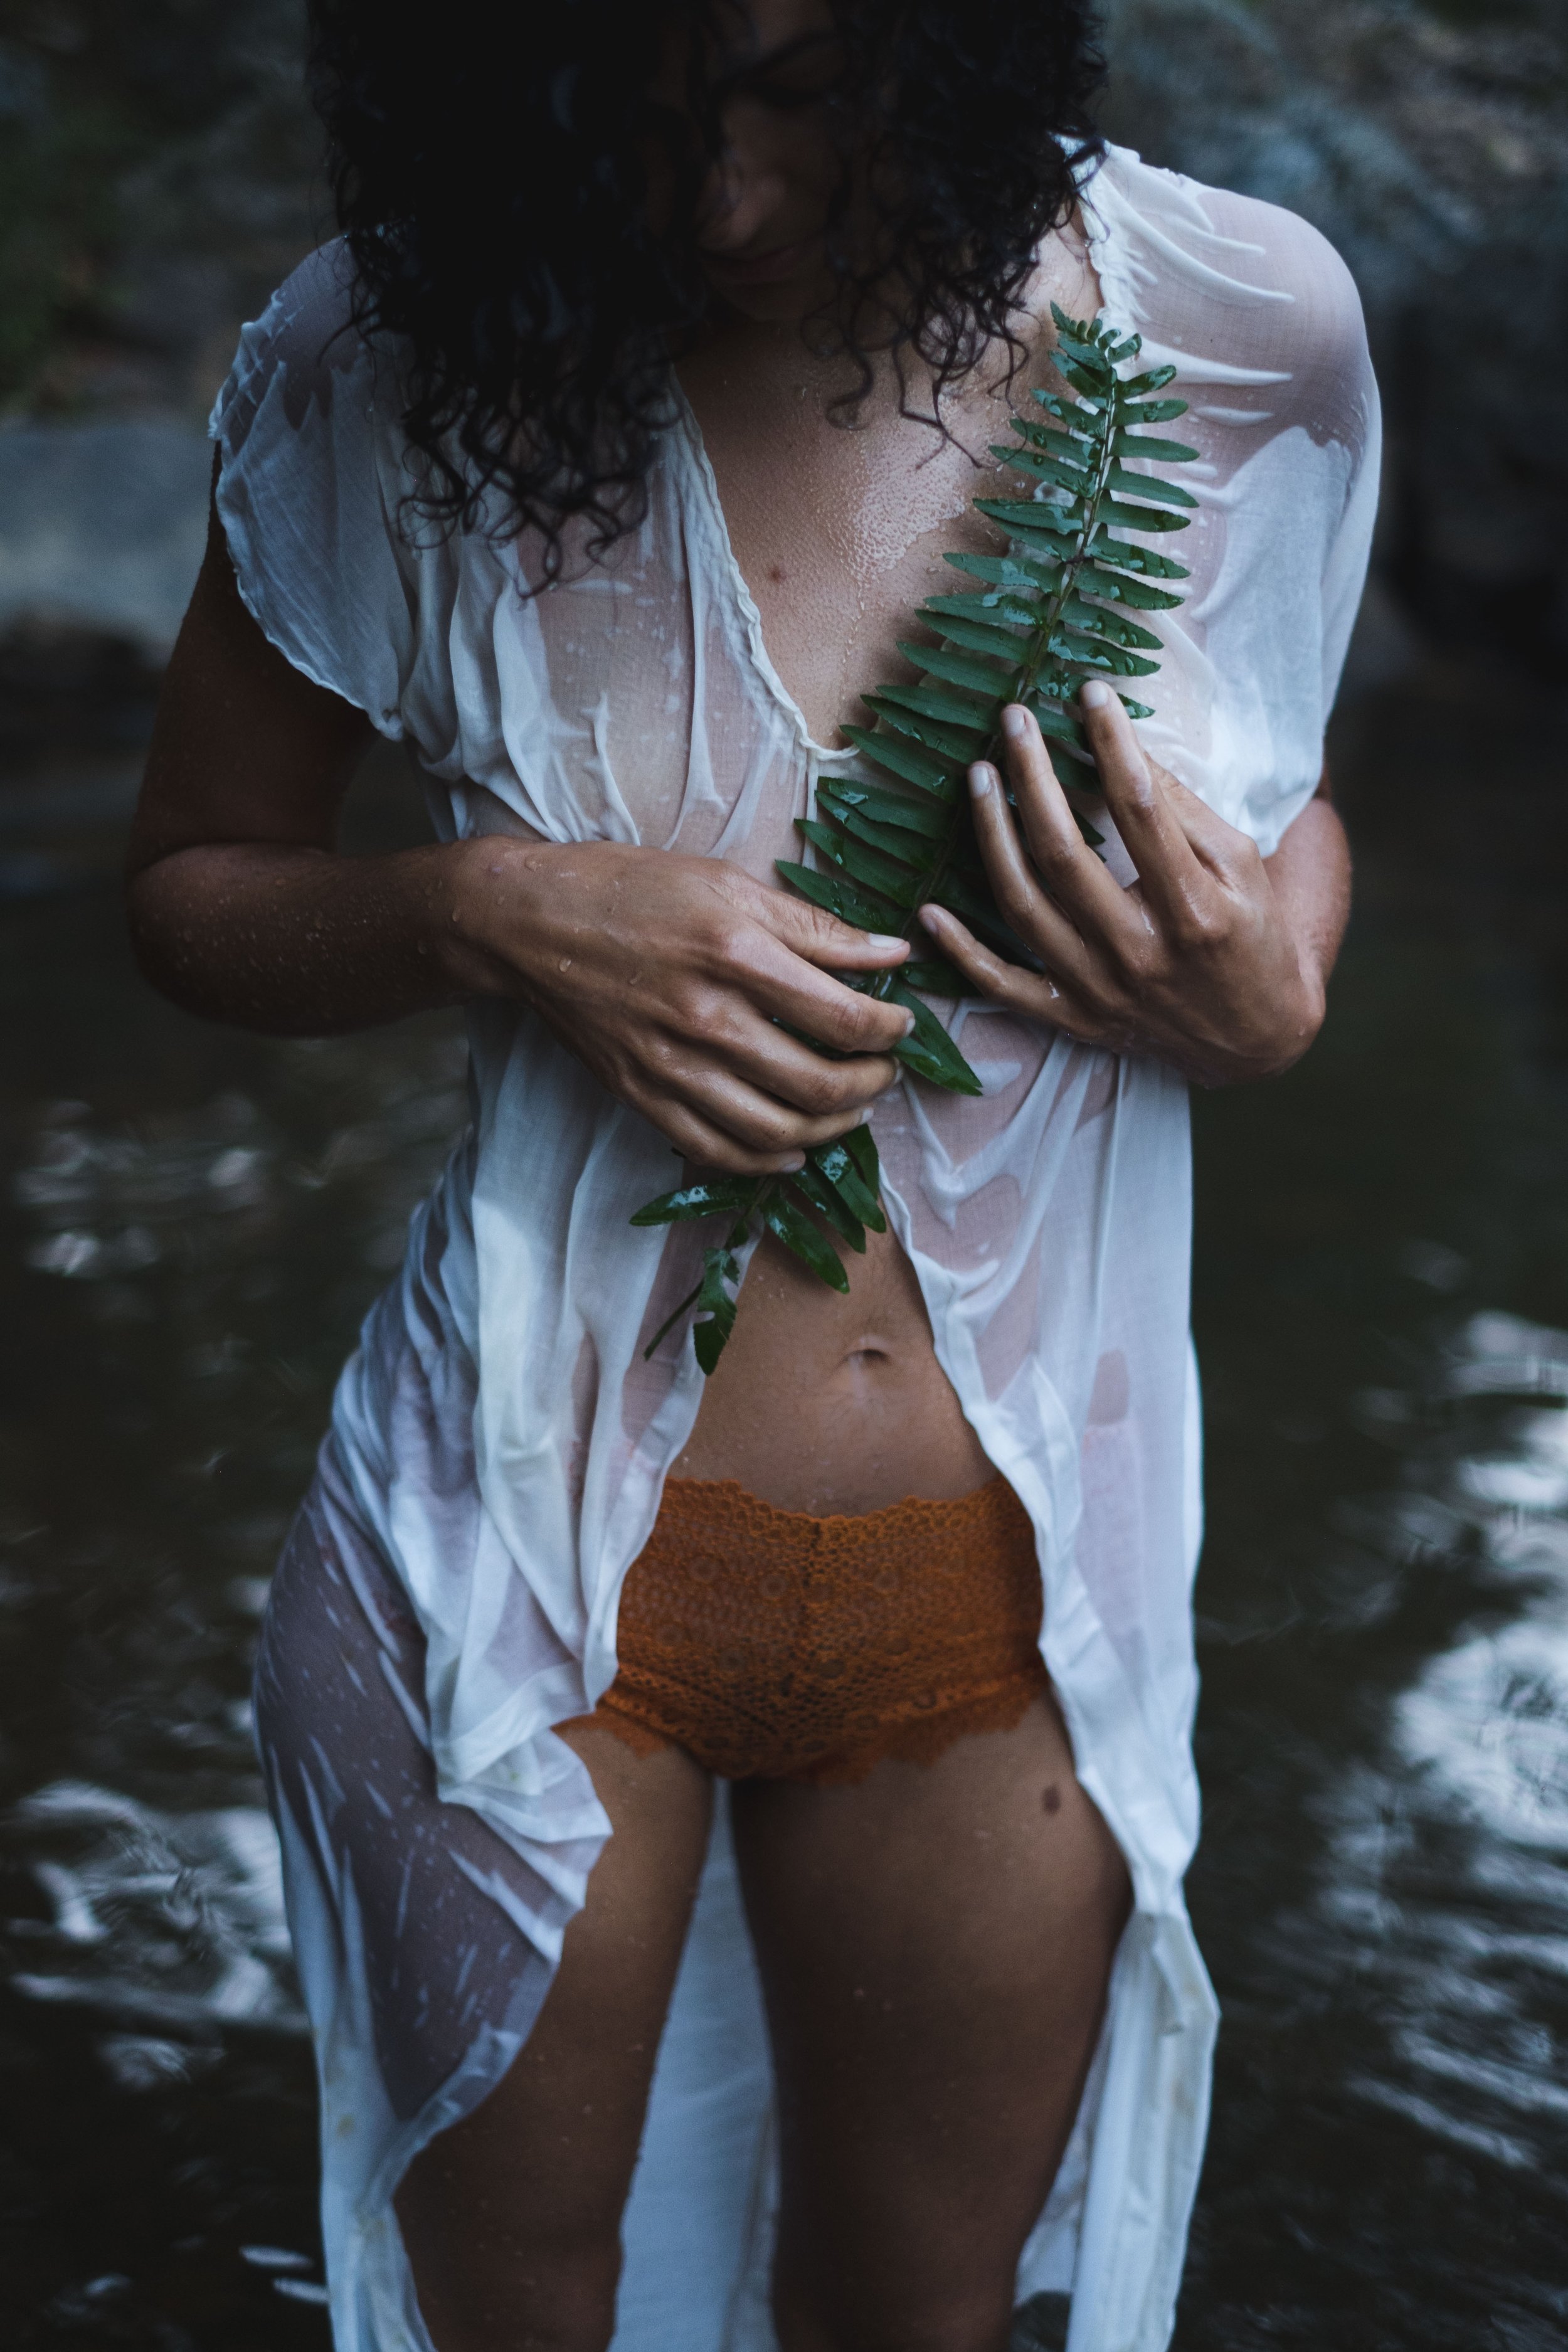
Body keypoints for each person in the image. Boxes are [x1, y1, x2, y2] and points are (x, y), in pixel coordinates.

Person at [125, 1, 1374, 2346]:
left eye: (800, 88)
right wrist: (479, 911)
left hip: (1006, 1604)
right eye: (634, 107)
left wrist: (1274, 974)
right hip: (513, 1559)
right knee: (513, 2314)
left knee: (914, 2320)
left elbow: (1276, 772)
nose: (720, 198)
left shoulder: (1231, 330)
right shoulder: (398, 357)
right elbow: (195, 879)